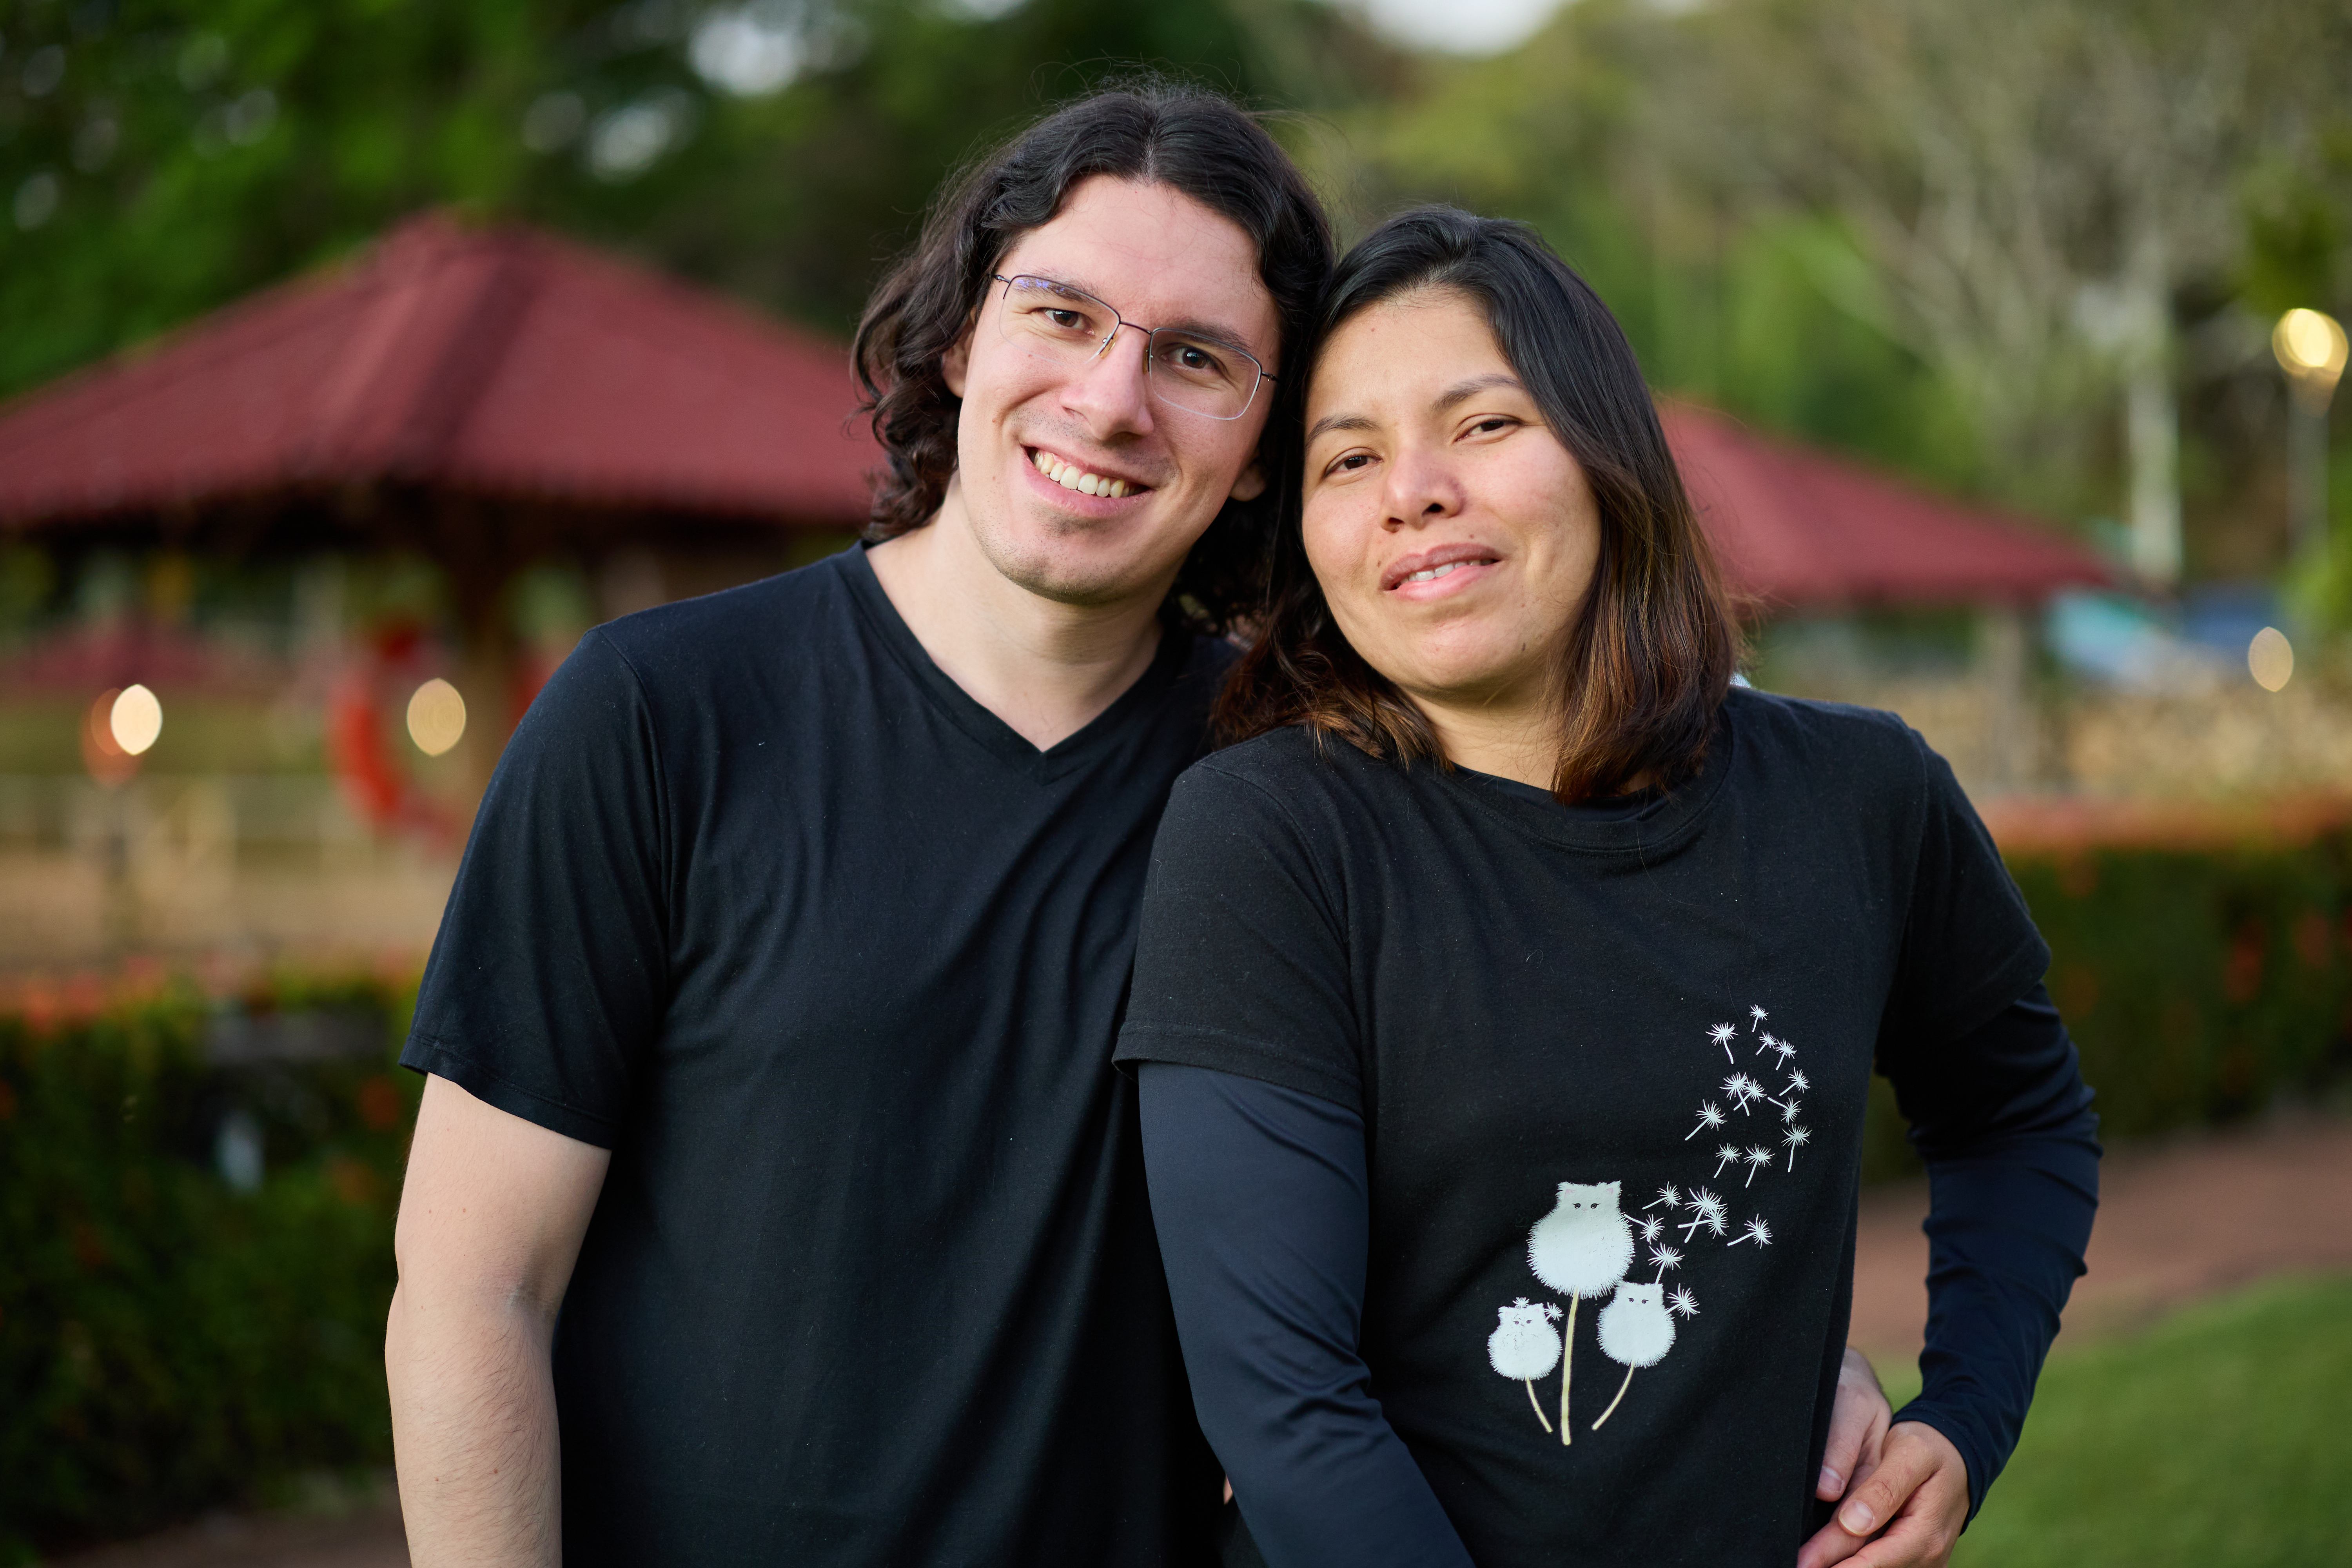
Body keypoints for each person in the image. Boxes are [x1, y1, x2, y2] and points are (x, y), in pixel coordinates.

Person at [383, 85, 1330, 1564]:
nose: (1111, 400)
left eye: (1196, 358)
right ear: (961, 337)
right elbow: (473, 1289)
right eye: (1061, 315)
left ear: (1266, 444)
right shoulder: (660, 717)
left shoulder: (1298, 788)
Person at [1116, 208, 2100, 1568]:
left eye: (1484, 424)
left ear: (1607, 455)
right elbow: (1283, 1398)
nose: (1413, 491)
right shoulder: (1272, 839)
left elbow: (2020, 1113)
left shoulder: (1859, 798)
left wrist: (1968, 1415)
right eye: (1350, 458)